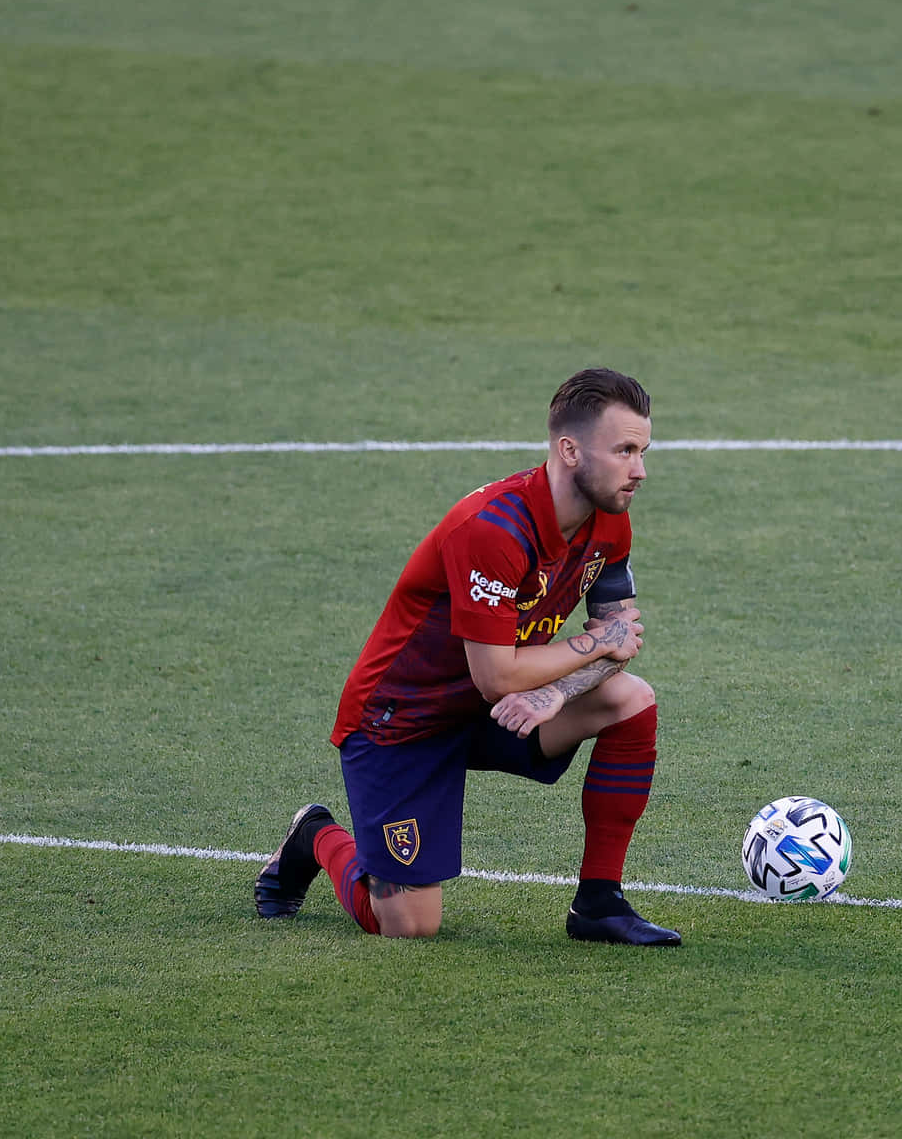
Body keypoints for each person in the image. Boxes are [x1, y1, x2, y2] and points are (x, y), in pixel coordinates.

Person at [253, 368, 679, 945]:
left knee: (631, 700)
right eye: (625, 450)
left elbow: (622, 636)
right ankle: (315, 836)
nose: (640, 470)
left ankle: (598, 903)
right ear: (570, 449)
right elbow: (504, 675)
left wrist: (557, 690)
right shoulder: (495, 529)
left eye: (642, 450)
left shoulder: (610, 522)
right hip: (401, 720)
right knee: (407, 926)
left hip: (500, 706)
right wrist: (595, 645)